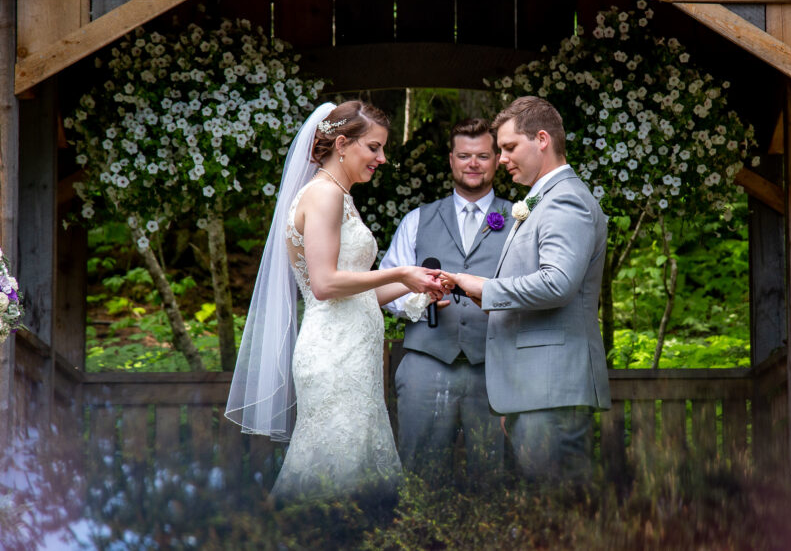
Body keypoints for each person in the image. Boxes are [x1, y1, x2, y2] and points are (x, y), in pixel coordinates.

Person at [225, 100, 446, 501]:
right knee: (335, 474)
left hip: (355, 355)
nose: (382, 158)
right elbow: (325, 284)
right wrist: (400, 272)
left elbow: (358, 293)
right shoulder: (324, 194)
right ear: (342, 144)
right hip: (334, 354)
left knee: (354, 473)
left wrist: (416, 287)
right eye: (374, 147)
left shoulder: (340, 196)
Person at [444, 96, 611, 483]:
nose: (501, 159)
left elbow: (558, 282)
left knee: (559, 507)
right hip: (534, 392)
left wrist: (486, 288)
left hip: (552, 390)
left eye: (508, 147)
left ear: (542, 140)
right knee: (546, 508)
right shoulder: (544, 199)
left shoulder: (565, 199)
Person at [379, 118, 511, 482]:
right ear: (451, 159)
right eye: (464, 155)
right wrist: (420, 300)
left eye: (482, 155)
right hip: (426, 364)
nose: (473, 164)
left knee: (494, 476)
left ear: (497, 160)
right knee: (420, 476)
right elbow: (389, 286)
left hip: (497, 368)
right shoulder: (417, 220)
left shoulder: (519, 220)